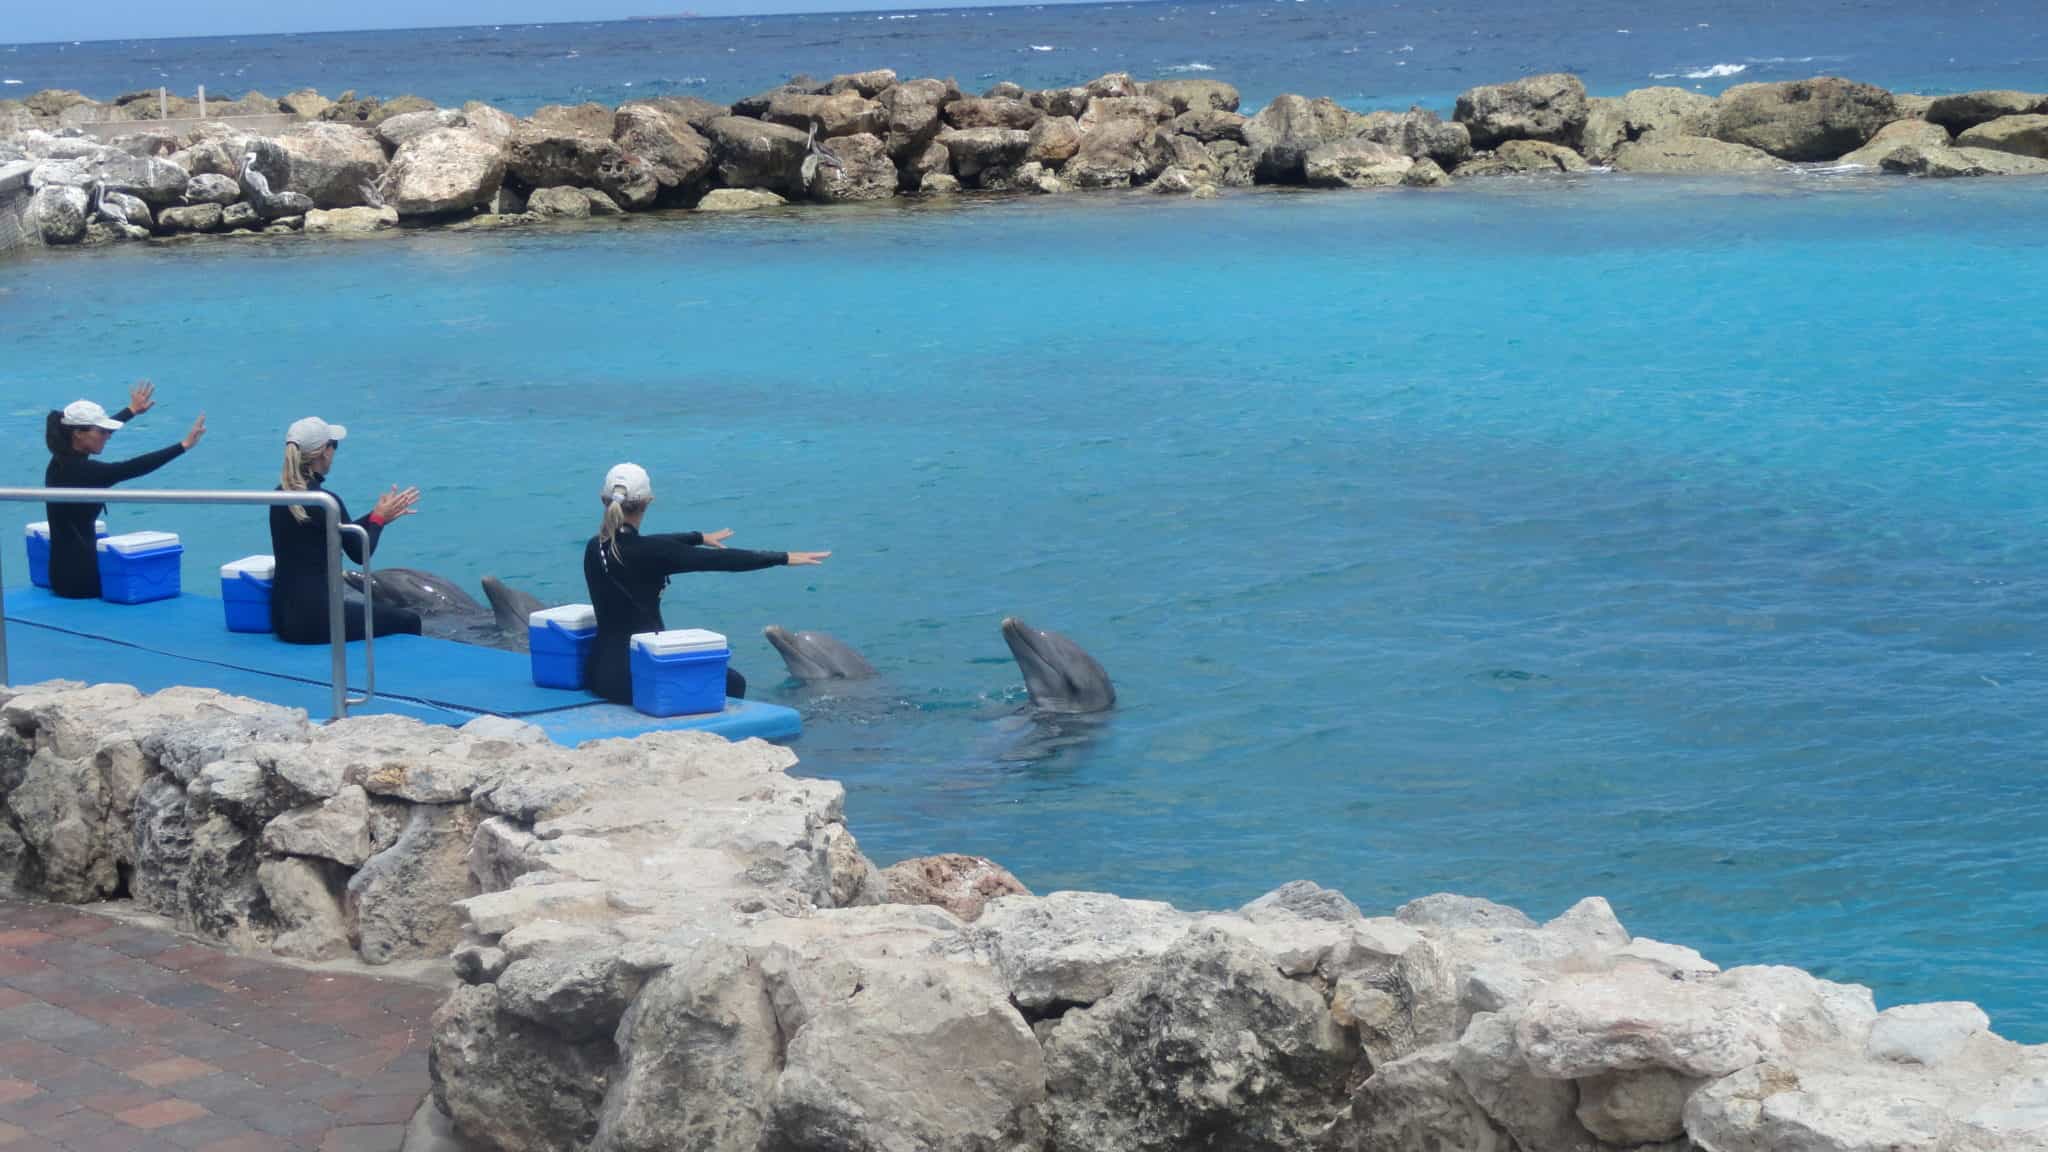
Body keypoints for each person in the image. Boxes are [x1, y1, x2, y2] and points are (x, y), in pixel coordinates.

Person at [584, 462, 828, 705]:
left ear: (603, 499)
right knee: (733, 682)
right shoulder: (652, 552)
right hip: (640, 678)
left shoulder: (596, 547)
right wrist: (781, 558)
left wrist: (698, 537)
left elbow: (652, 544)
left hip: (602, 675)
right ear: (648, 501)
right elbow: (722, 560)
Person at [42, 381, 207, 599]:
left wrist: (131, 411)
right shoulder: (82, 471)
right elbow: (132, 467)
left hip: (63, 574)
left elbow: (94, 431)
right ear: (78, 434)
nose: (108, 436)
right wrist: (183, 446)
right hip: (82, 581)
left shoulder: (60, 460)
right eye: (103, 431)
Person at [268, 416, 424, 643]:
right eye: (335, 446)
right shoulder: (325, 501)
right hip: (316, 620)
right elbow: (360, 553)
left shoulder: (279, 495)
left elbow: (336, 530)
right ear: (324, 451)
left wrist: (377, 516)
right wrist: (378, 522)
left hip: (283, 618)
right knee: (410, 621)